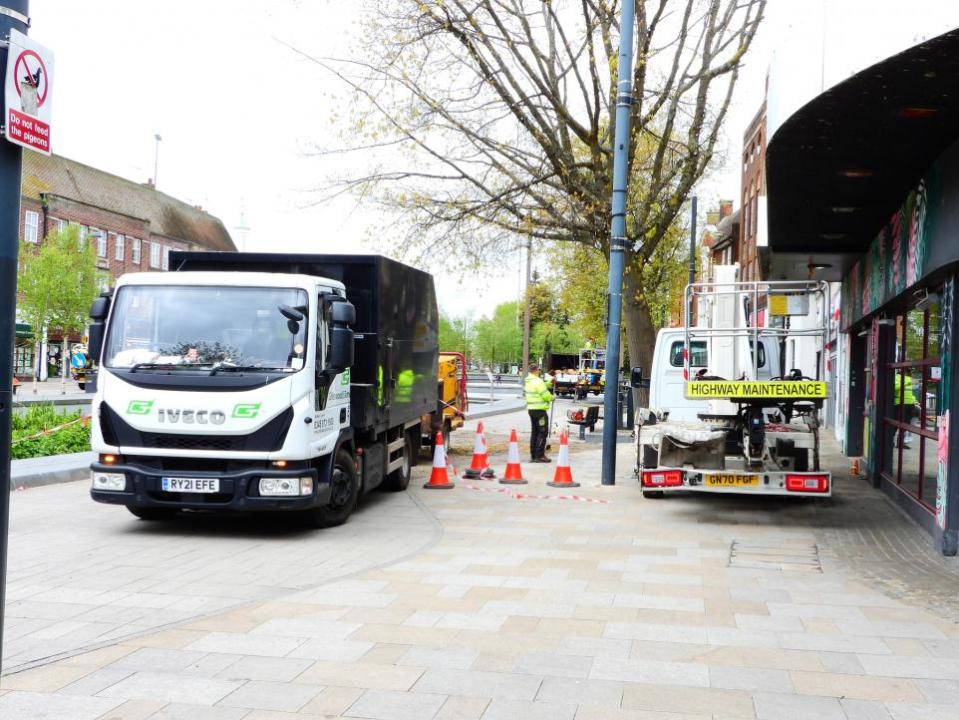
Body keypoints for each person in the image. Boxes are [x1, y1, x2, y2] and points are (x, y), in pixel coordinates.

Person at [525, 363, 553, 462]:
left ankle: (533, 455)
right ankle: (539, 455)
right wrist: (552, 397)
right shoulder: (538, 381)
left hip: (531, 410)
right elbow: (545, 395)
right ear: (536, 370)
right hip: (540, 411)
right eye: (539, 370)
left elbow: (539, 387)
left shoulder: (529, 381)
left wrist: (548, 383)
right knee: (542, 432)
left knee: (535, 432)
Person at [894, 371, 918, 447]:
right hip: (900, 403)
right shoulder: (896, 377)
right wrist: (908, 383)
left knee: (906, 423)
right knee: (897, 423)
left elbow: (909, 392)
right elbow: (895, 388)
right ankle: (892, 441)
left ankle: (901, 442)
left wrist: (914, 400)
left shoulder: (909, 378)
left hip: (910, 404)